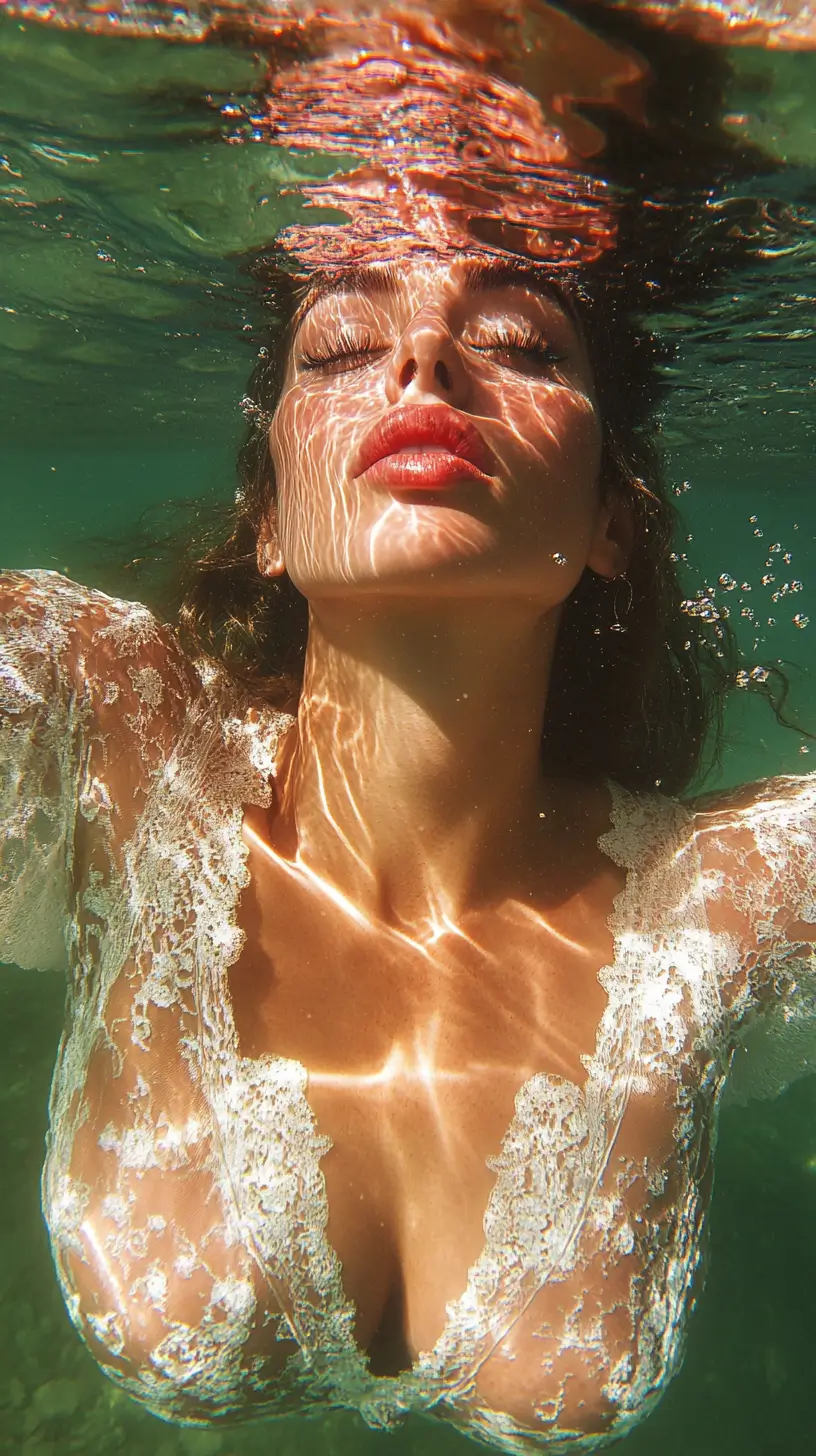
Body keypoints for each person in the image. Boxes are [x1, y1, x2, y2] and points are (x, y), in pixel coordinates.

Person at [2, 3, 815, 1453]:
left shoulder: (734, 896)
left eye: (518, 339)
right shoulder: (113, 718)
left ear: (617, 522)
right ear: (263, 519)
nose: (425, 355)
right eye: (334, 351)